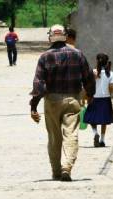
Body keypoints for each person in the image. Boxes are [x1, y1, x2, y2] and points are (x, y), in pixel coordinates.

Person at [30, 24, 95, 182]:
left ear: (50, 37)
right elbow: (88, 77)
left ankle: (56, 171)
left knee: (54, 137)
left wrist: (33, 106)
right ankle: (67, 167)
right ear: (65, 36)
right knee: (71, 134)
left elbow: (39, 84)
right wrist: (90, 94)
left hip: (51, 101)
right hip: (73, 99)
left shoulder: (45, 57)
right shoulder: (77, 54)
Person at [84, 53, 113, 147]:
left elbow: (88, 86)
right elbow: (111, 87)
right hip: (105, 99)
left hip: (94, 98)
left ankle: (95, 133)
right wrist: (109, 94)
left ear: (97, 61)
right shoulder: (110, 73)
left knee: (91, 118)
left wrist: (86, 96)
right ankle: (102, 140)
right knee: (104, 120)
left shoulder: (93, 72)